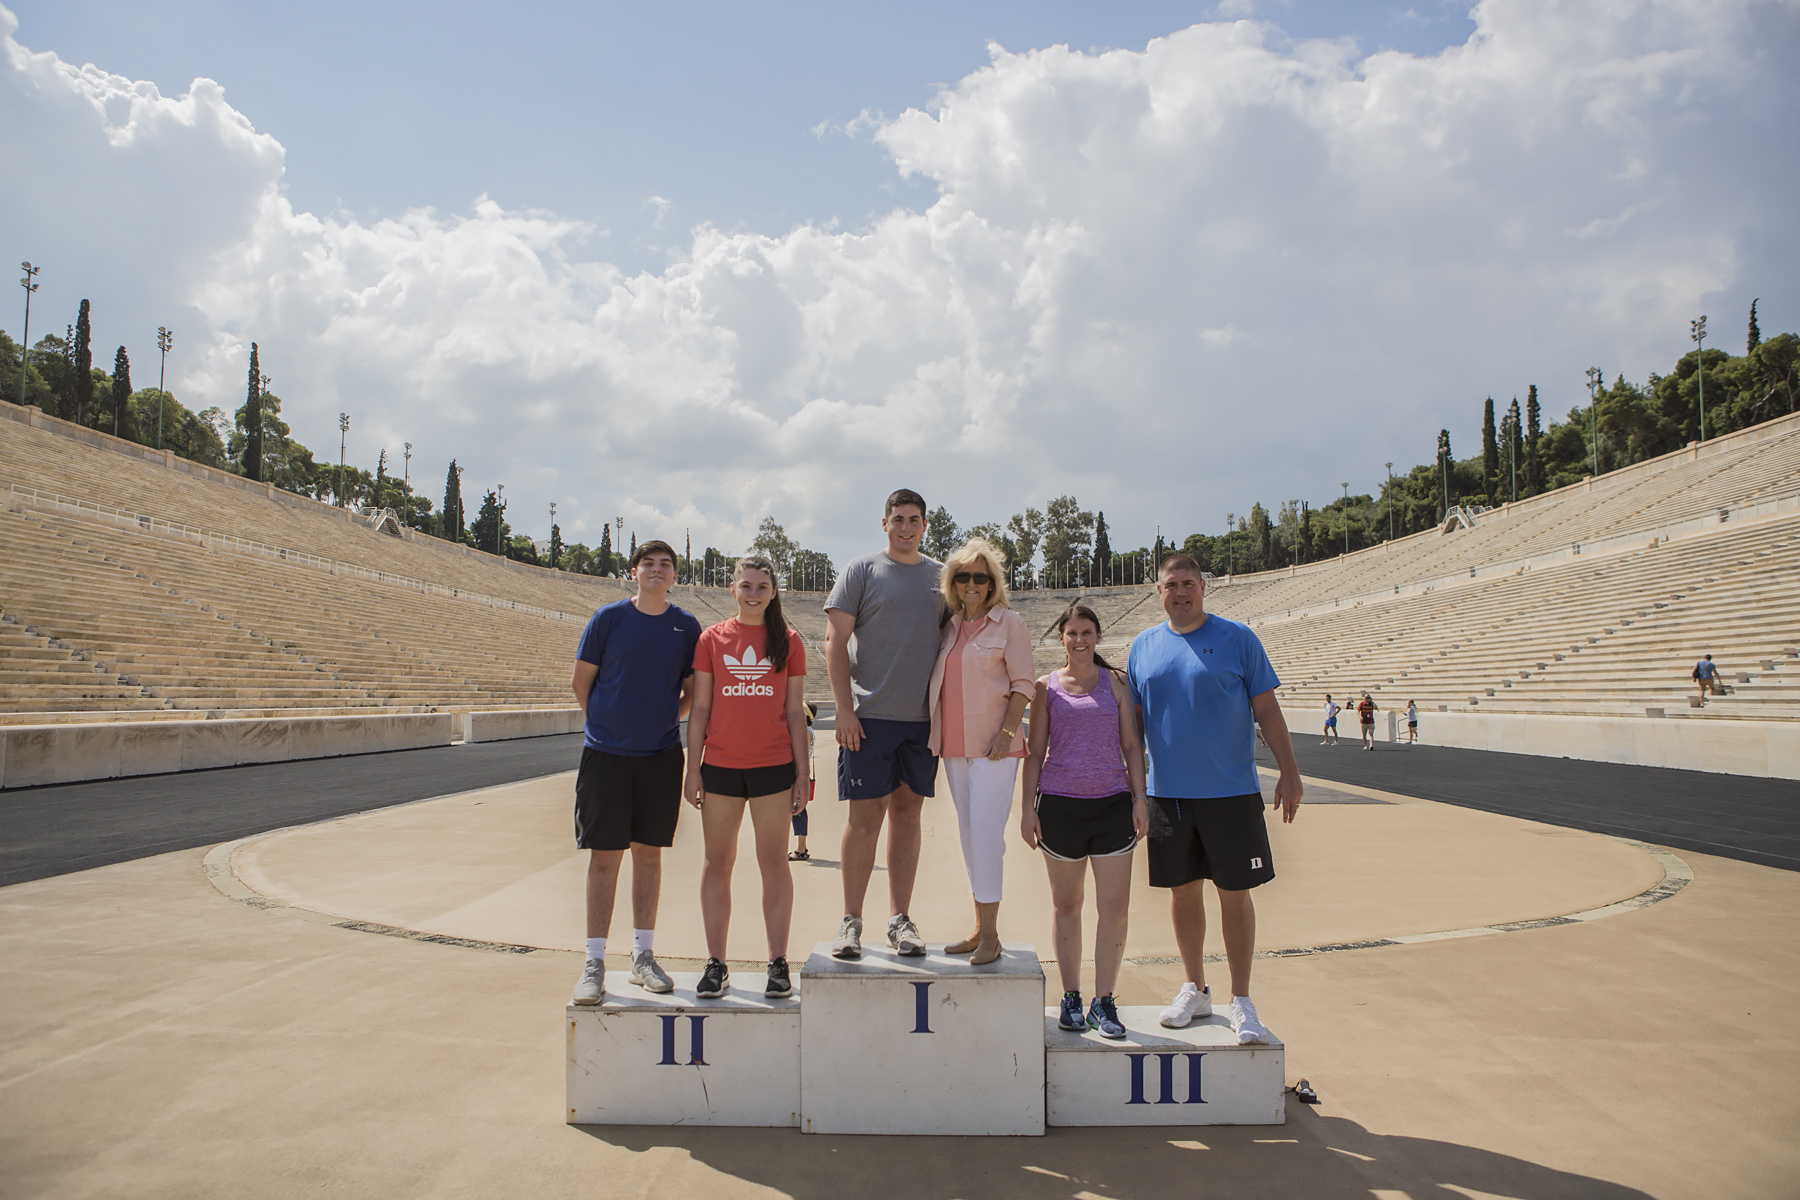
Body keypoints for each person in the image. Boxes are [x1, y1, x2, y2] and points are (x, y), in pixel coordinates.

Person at [1129, 554, 1301, 1046]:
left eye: (1188, 583)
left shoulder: (1238, 639)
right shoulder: (1143, 647)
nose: (1180, 592)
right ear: (1156, 591)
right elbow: (1135, 727)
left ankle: (1241, 1000)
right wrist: (1134, 789)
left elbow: (1266, 709)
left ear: (1204, 587)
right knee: (1182, 893)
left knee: (1234, 895)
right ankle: (1194, 988)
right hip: (1168, 794)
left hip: (1231, 792)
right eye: (1170, 585)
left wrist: (1289, 774)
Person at [570, 540, 701, 1005]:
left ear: (675, 577)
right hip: (606, 755)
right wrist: (607, 726)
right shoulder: (608, 619)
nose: (657, 570)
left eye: (666, 565)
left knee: (649, 855)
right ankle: (594, 961)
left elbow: (690, 692)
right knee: (604, 856)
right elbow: (581, 682)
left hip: (660, 755)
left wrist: (668, 720)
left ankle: (643, 957)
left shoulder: (685, 626)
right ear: (634, 572)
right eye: (649, 563)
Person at [823, 488, 943, 959]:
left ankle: (899, 920)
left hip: (920, 721)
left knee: (908, 816)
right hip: (869, 718)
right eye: (898, 519)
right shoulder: (862, 570)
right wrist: (845, 710)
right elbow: (835, 641)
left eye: (914, 519)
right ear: (884, 523)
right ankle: (851, 921)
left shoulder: (940, 576)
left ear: (925, 525)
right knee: (864, 818)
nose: (906, 527)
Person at [684, 555, 810, 1000]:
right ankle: (716, 963)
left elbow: (795, 711)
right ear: (733, 590)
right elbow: (700, 708)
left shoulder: (789, 641)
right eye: (746, 586)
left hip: (773, 769)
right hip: (720, 768)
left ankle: (778, 961)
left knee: (773, 863)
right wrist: (692, 768)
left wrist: (802, 774)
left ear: (773, 592)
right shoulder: (711, 639)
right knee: (718, 863)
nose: (753, 593)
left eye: (762, 586)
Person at [1021, 604, 1148, 1039]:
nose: (1080, 640)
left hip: (1113, 805)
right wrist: (1027, 809)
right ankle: (1071, 996)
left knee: (1114, 908)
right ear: (1062, 638)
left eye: (1087, 632)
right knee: (1067, 906)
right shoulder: (1046, 687)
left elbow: (1132, 746)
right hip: (1060, 806)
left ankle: (1105, 1000)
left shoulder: (1116, 684)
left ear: (1098, 636)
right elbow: (1035, 752)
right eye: (1072, 633)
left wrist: (1140, 799)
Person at [926, 537, 1034, 965]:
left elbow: (1023, 684)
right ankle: (979, 928)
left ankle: (991, 936)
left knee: (987, 838)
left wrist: (1007, 734)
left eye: (981, 577)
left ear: (992, 583)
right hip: (954, 747)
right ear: (953, 582)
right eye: (964, 576)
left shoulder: (1011, 624)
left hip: (995, 749)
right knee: (969, 839)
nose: (973, 584)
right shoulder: (950, 627)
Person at [789, 701, 818, 862]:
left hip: (798, 775)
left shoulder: (806, 732)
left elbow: (795, 750)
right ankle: (801, 848)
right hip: (797, 774)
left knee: (798, 811)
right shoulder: (805, 730)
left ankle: (801, 850)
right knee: (796, 810)